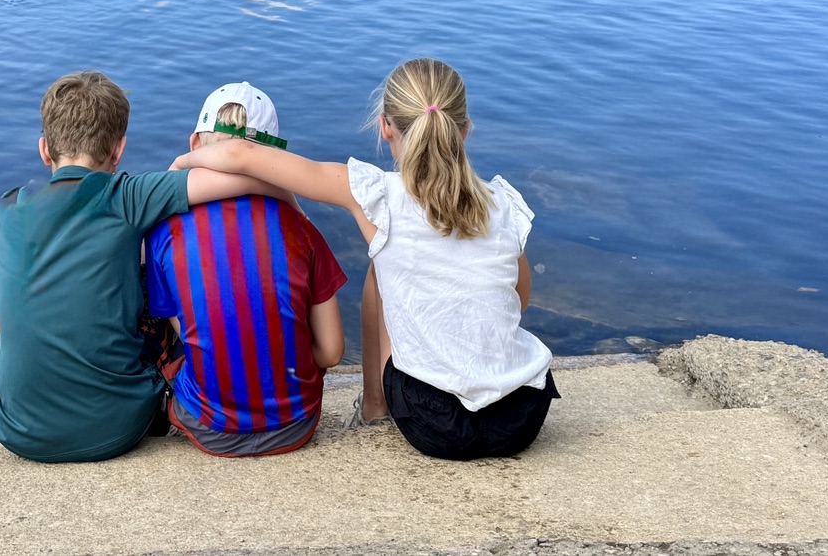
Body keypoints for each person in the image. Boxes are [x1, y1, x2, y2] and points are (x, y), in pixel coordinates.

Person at [172, 57, 555, 460]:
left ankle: (375, 407)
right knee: (391, 259)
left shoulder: (378, 196)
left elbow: (240, 155)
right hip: (522, 417)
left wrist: (181, 167)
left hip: (435, 423)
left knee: (381, 264)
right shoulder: (504, 203)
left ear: (385, 126)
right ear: (464, 129)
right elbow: (518, 299)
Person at [0, 70, 287, 463]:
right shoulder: (128, 195)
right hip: (118, 426)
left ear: (44, 150)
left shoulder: (8, 207)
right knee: (152, 270)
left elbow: (5, 318)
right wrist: (283, 195)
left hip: (16, 429)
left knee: (9, 313)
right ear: (119, 150)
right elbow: (246, 178)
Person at [144, 82, 347, 457]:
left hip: (210, 427)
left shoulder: (164, 232)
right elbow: (332, 352)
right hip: (295, 424)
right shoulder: (302, 229)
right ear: (273, 159)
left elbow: (189, 331)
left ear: (194, 143)